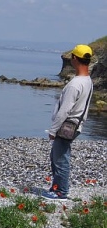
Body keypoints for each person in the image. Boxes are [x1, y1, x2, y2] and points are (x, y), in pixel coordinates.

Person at [44, 44, 94, 201]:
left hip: (67, 125)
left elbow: (64, 110)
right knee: (56, 156)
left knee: (60, 159)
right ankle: (56, 187)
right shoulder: (88, 81)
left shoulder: (75, 84)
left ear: (74, 58)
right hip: (76, 125)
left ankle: (61, 192)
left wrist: (53, 131)